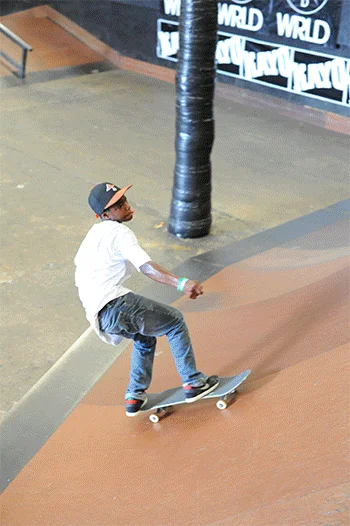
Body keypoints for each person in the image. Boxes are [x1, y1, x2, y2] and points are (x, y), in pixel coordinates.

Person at [74, 182, 219, 416]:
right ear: (104, 214)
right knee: (174, 321)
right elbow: (147, 268)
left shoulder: (94, 235)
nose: (127, 206)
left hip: (98, 313)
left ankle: (134, 396)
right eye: (118, 205)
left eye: (124, 200)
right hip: (114, 303)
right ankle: (193, 382)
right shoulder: (119, 232)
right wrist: (181, 283)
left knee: (145, 338)